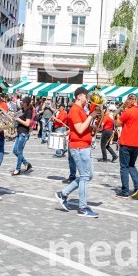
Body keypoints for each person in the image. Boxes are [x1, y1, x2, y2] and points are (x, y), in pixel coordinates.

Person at [55, 88, 98, 218]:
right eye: (86, 96)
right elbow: (79, 129)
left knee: (88, 175)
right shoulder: (74, 110)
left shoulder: (82, 110)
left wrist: (94, 126)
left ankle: (63, 193)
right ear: (79, 97)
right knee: (85, 176)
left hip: (85, 146)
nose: (88, 99)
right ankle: (83, 207)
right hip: (79, 147)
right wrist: (91, 116)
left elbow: (83, 128)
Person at [115, 94, 138, 199]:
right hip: (137, 143)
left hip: (126, 142)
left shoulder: (128, 111)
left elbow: (118, 123)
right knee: (132, 165)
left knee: (124, 167)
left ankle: (125, 191)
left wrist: (120, 113)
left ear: (130, 100)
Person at [12, 97, 35, 176]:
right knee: (14, 150)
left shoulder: (29, 112)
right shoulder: (23, 111)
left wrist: (18, 119)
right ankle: (26, 163)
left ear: (27, 103)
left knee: (19, 151)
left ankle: (17, 169)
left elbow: (27, 124)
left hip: (24, 133)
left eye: (24, 102)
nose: (22, 103)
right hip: (19, 132)